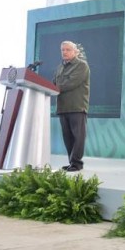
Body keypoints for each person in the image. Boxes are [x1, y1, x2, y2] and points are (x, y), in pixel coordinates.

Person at [53, 40, 90, 172]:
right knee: (67, 137)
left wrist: (55, 87)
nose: (65, 52)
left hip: (77, 107)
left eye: (68, 50)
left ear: (75, 52)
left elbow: (71, 83)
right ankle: (71, 162)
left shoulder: (81, 65)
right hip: (63, 107)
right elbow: (53, 83)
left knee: (78, 137)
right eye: (62, 50)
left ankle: (77, 163)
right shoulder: (60, 67)